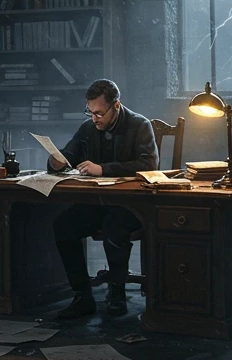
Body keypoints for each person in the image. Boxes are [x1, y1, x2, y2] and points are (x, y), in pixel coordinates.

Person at [48, 79, 158, 319]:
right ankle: (82, 296)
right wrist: (56, 161)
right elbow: (68, 154)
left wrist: (103, 169)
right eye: (90, 111)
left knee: (114, 228)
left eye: (99, 112)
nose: (94, 118)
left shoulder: (140, 125)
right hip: (97, 203)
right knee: (63, 226)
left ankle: (116, 292)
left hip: (133, 207)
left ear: (116, 106)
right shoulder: (89, 127)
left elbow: (149, 164)